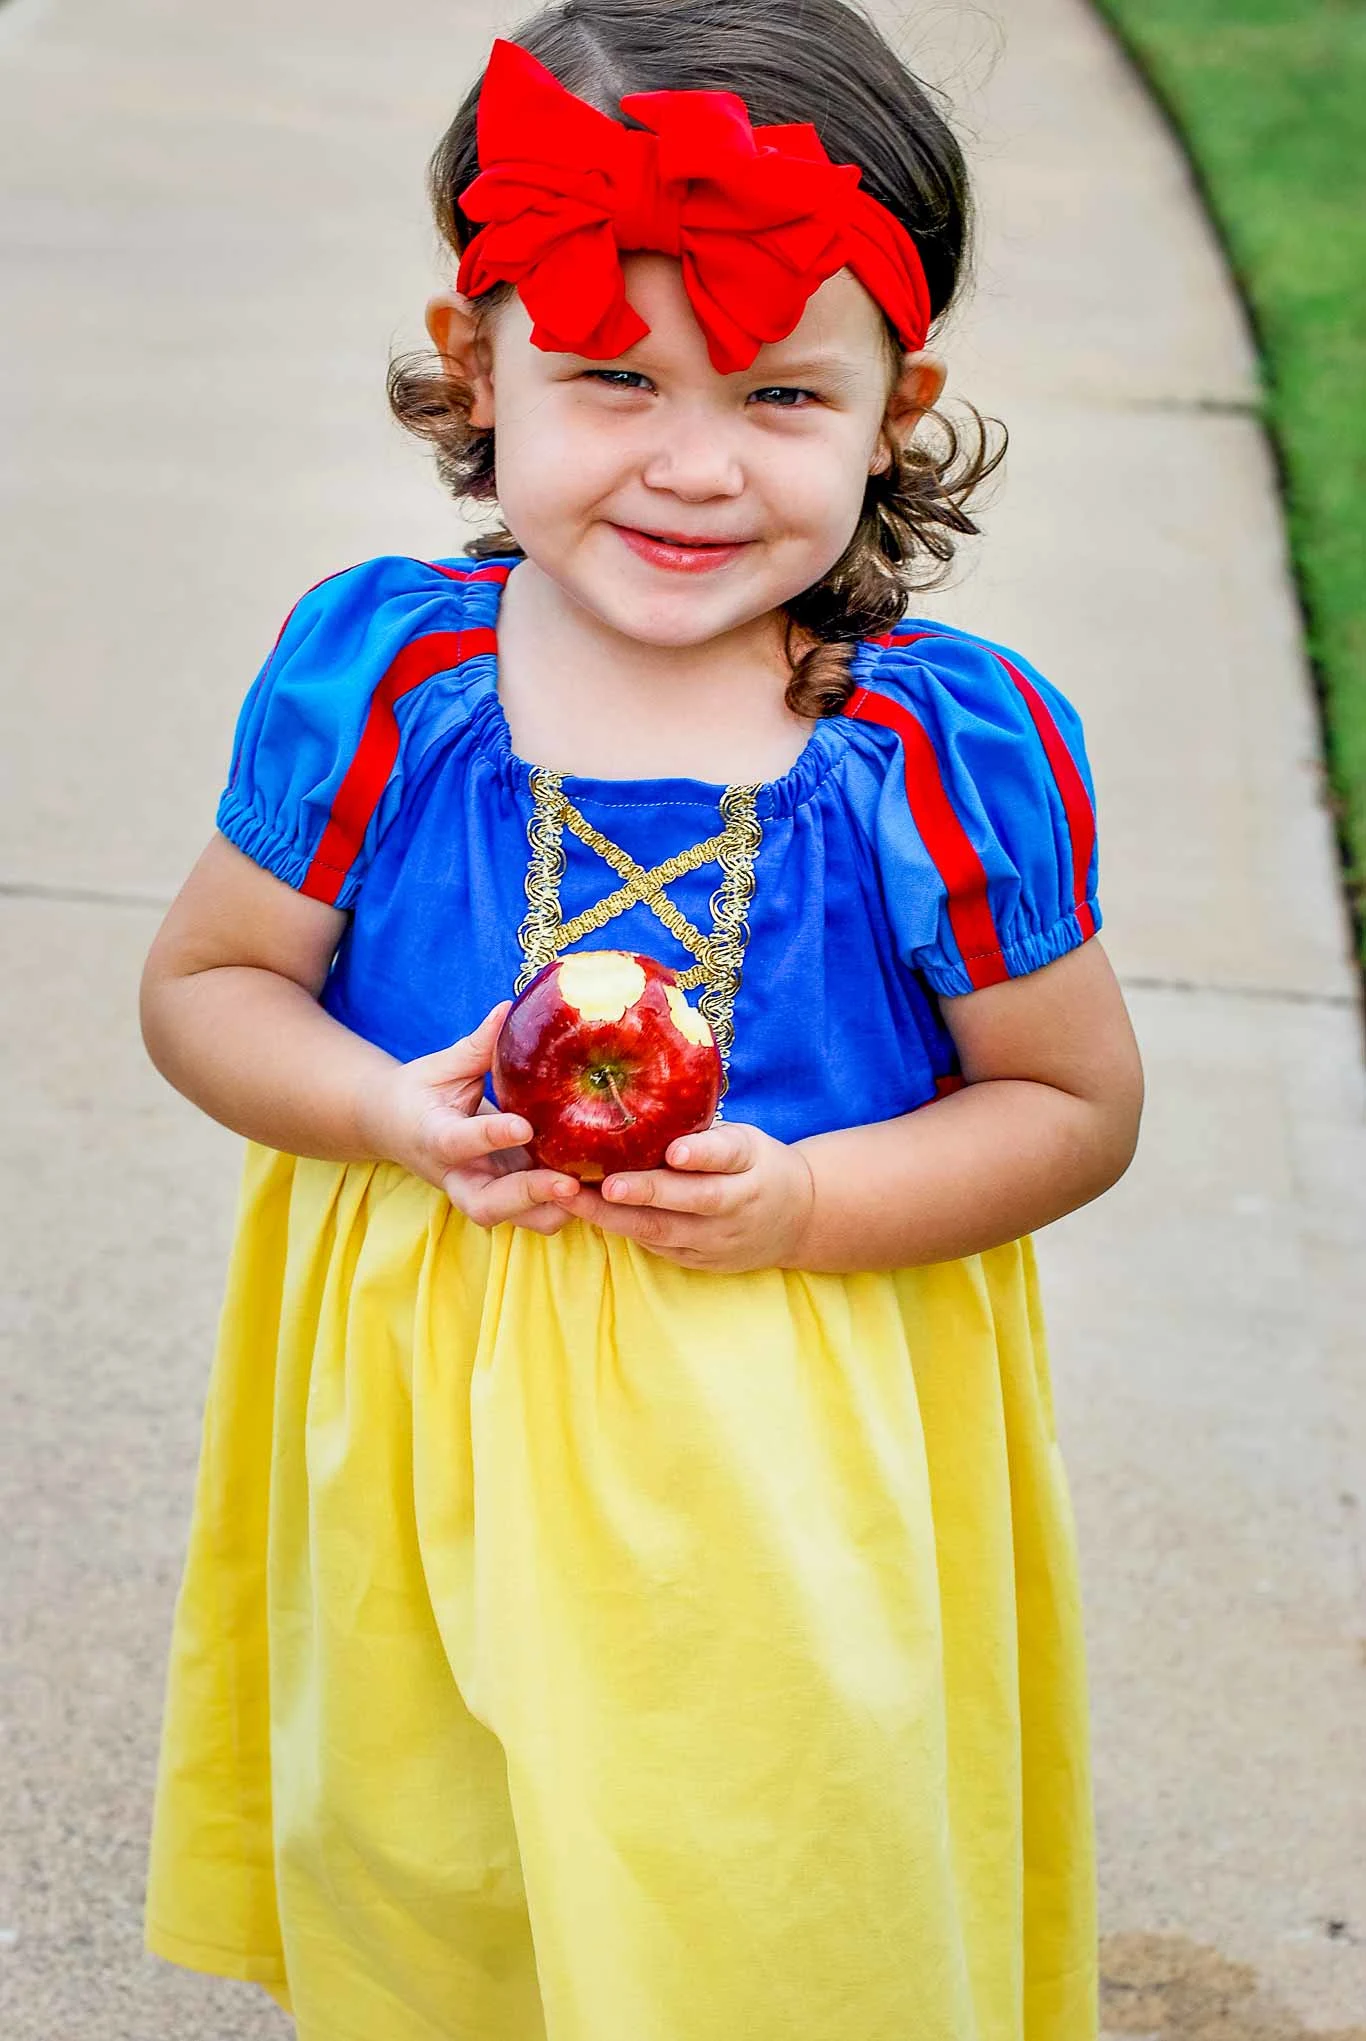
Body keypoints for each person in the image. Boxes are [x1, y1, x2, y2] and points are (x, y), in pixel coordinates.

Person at [140, 4, 1144, 2037]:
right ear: (474, 359)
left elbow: (1067, 1106)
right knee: (440, 1864)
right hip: (429, 1427)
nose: (691, 462)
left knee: (771, 1882)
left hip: (775, 1457)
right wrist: (370, 1106)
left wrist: (805, 1207)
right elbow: (205, 987)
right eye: (611, 377)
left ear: (894, 404)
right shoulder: (383, 680)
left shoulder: (934, 749)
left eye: (780, 391)